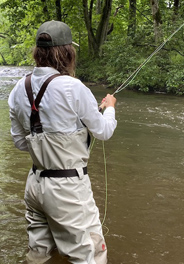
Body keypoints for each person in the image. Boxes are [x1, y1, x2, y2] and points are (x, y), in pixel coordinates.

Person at [8, 20, 117, 264]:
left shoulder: (17, 88)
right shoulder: (73, 87)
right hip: (67, 189)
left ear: (38, 52)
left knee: (39, 255)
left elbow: (20, 142)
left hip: (34, 185)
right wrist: (109, 108)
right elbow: (104, 131)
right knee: (89, 255)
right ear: (67, 52)